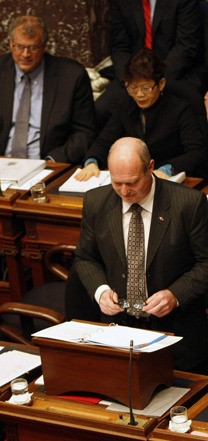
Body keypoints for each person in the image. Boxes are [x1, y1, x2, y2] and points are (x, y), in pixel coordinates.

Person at [66, 137, 208, 374]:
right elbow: (85, 258)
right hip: (118, 332)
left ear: (150, 167)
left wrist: (175, 294)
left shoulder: (189, 204)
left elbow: (205, 262)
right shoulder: (96, 201)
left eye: (132, 182)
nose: (124, 191)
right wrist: (100, 291)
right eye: (116, 183)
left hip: (176, 334)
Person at [0, 15, 96, 166]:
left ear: (44, 46)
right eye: (20, 46)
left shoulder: (71, 76)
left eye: (33, 47)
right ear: (10, 44)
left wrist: (52, 162)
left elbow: (84, 133)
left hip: (48, 165)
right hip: (0, 165)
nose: (25, 54)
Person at [76, 48, 207, 181]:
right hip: (132, 179)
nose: (139, 94)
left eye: (146, 88)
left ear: (161, 84)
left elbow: (196, 152)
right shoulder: (126, 106)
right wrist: (92, 161)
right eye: (133, 87)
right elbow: (105, 140)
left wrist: (167, 169)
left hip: (168, 180)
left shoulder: (180, 108)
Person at [96, 0, 206, 130]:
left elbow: (186, 47)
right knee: (101, 109)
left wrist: (155, 79)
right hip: (134, 73)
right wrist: (130, 78)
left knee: (189, 107)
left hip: (174, 72)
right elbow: (120, 46)